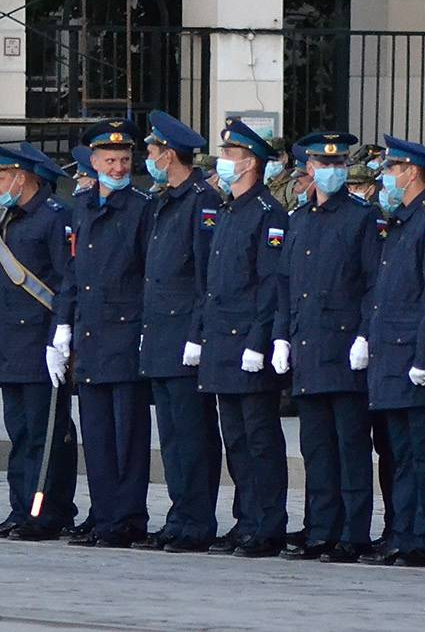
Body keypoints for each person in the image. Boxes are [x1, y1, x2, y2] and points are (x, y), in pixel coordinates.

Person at [273, 132, 380, 563]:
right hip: (308, 346)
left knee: (350, 445)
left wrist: (364, 335)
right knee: (316, 446)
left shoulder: (361, 217)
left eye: (338, 164)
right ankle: (320, 527)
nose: (332, 171)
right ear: (309, 170)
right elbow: (285, 284)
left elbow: (373, 283)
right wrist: (281, 335)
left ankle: (353, 533)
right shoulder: (298, 220)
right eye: (323, 164)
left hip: (344, 344)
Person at [50, 120, 156, 548]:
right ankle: (104, 513)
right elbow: (73, 273)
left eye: (124, 160)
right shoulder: (83, 206)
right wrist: (62, 324)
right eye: (109, 160)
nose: (117, 167)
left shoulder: (142, 207)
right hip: (90, 336)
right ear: (92, 163)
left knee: (127, 436)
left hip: (125, 334)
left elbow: (148, 274)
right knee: (96, 435)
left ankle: (127, 517)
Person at [191, 118, 290, 558]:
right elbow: (214, 283)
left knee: (260, 439)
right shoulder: (227, 209)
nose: (222, 162)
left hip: (249, 344)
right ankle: (246, 518)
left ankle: (268, 524)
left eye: (229, 155)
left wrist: (259, 340)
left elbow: (270, 284)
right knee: (236, 440)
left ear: (250, 162)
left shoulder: (269, 214)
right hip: (222, 343)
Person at [356, 135, 425, 568]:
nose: (385, 179)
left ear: (412, 172)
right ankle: (401, 530)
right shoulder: (397, 219)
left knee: (424, 453)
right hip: (389, 354)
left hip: (413, 355)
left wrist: (424, 356)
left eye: (391, 170)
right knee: (399, 452)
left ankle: (424, 535)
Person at [133, 111, 224, 553]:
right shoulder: (163, 200)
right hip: (160, 335)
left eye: (151, 150)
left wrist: (197, 334)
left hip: (185, 337)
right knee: (171, 437)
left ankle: (196, 521)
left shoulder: (201, 201)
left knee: (192, 437)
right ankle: (180, 514)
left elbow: (205, 274)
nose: (146, 157)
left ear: (168, 154)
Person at [0, 142, 78, 540]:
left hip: (40, 343)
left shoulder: (55, 218)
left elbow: (67, 280)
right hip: (10, 345)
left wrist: (61, 333)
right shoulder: (11, 219)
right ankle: (22, 508)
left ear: (23, 177)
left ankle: (46, 512)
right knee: (20, 433)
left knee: (45, 434)